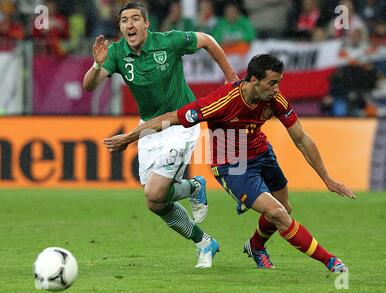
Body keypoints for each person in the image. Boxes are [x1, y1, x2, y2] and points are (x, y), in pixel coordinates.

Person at [103, 54, 356, 272]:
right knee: (277, 213)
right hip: (232, 165)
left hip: (262, 152)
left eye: (279, 82)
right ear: (254, 81)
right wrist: (129, 138)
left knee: (285, 208)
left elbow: (301, 138)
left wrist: (327, 179)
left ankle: (255, 246)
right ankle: (331, 261)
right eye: (272, 83)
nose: (277, 89)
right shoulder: (222, 101)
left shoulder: (274, 99)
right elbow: (170, 118)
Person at [83, 1, 238, 268]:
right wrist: (97, 66)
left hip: (181, 124)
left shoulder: (169, 41)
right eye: (123, 20)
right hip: (150, 128)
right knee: (154, 202)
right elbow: (89, 86)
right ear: (120, 27)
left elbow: (207, 40)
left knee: (155, 190)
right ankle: (204, 240)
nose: (129, 25)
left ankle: (193, 187)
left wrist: (231, 76)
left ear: (146, 24)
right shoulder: (118, 52)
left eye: (135, 19)